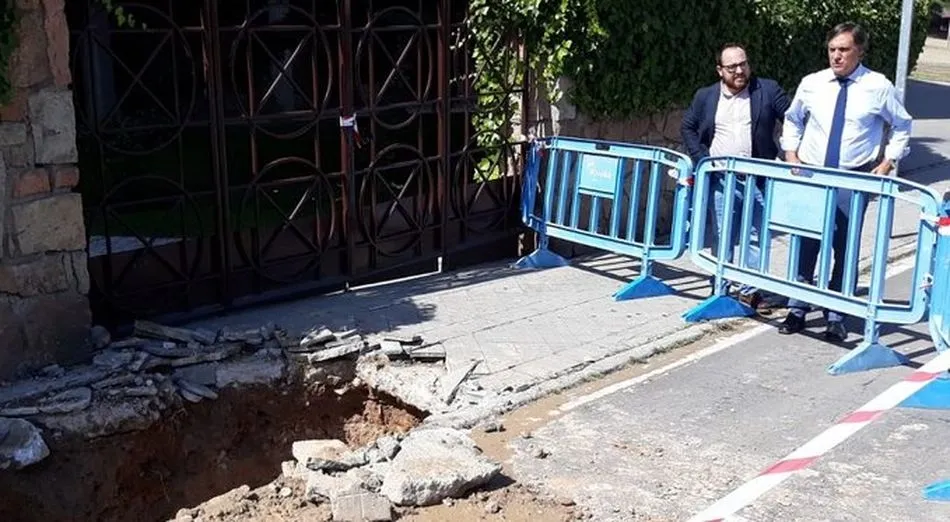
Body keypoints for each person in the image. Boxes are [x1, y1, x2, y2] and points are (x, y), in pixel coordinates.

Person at [779, 22, 912, 341]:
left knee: (845, 246)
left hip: (853, 179)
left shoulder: (878, 86)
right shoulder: (813, 83)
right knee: (805, 242)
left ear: (859, 51)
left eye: (844, 50)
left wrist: (887, 162)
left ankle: (836, 314)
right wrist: (791, 154)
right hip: (812, 175)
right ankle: (797, 308)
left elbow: (902, 125)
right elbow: (793, 118)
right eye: (832, 50)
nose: (836, 56)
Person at [681, 42, 791, 310]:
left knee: (756, 236)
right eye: (732, 67)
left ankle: (751, 292)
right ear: (720, 70)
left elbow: (793, 118)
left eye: (743, 64)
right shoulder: (705, 96)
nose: (740, 70)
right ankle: (720, 287)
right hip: (721, 179)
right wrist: (702, 160)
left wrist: (791, 153)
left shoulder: (767, 90)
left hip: (760, 178)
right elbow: (688, 128)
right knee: (722, 235)